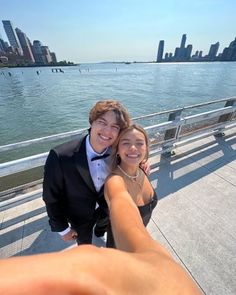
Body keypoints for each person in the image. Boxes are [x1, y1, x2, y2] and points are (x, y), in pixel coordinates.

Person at [0, 180, 202, 295]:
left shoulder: (163, 272)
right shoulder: (165, 274)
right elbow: (120, 200)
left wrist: (121, 181)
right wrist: (117, 180)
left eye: (140, 143)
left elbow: (118, 198)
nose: (133, 147)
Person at [43, 100, 131, 245]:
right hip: (79, 215)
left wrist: (142, 162)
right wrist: (62, 229)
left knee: (103, 224)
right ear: (92, 122)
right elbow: (51, 196)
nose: (107, 131)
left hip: (106, 206)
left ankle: (99, 231)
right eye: (102, 122)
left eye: (115, 127)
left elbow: (135, 151)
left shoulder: (118, 152)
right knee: (84, 244)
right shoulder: (60, 156)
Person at [105, 124, 158, 247]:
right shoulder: (114, 181)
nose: (133, 148)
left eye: (139, 143)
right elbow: (118, 198)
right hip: (121, 248)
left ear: (146, 148)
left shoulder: (142, 170)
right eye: (126, 143)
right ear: (117, 149)